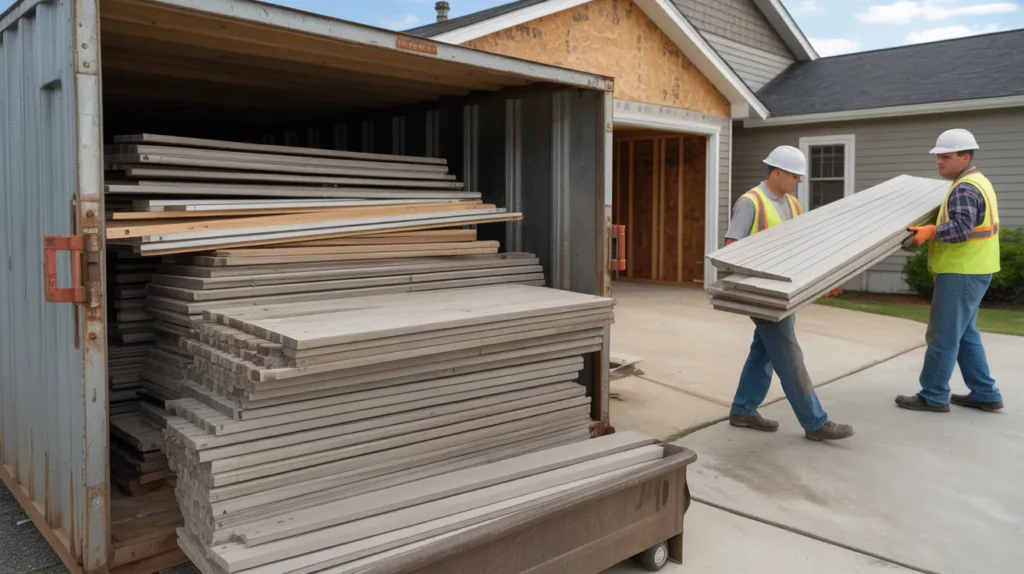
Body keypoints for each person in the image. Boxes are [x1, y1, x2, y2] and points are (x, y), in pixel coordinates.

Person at [723, 146, 855, 441]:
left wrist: (825, 276)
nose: (800, 181)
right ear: (777, 172)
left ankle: (743, 409)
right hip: (761, 293)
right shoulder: (750, 202)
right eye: (795, 176)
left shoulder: (793, 204)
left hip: (785, 291)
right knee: (789, 355)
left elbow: (803, 244)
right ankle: (815, 422)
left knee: (764, 352)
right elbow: (732, 248)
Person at [896, 129, 1003, 413]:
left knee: (943, 336)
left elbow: (961, 229)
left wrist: (931, 230)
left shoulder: (965, 188)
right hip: (976, 269)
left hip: (961, 273)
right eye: (938, 156)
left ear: (965, 157)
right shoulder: (979, 182)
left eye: (946, 156)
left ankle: (933, 395)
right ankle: (985, 393)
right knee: (965, 334)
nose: (939, 161)